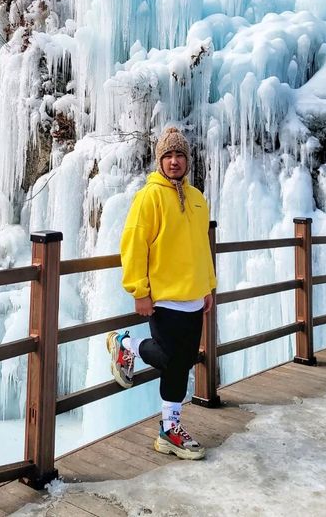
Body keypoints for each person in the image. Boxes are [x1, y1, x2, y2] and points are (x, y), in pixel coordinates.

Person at [106, 126, 216, 460]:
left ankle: (169, 431)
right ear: (159, 161)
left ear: (187, 160)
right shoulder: (149, 197)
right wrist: (139, 290)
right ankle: (125, 344)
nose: (173, 161)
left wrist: (208, 286)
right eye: (167, 155)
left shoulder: (197, 199)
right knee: (170, 358)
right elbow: (134, 244)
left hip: (194, 297)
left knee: (181, 364)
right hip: (165, 296)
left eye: (179, 155)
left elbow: (202, 248)